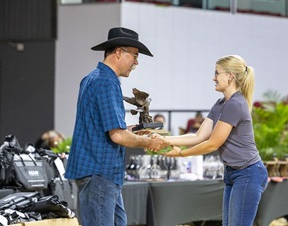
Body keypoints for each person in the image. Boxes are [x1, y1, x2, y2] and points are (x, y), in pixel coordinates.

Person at [64, 27, 168, 226]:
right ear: (119, 52)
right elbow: (117, 137)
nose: (137, 62)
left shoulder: (91, 78)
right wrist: (148, 141)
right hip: (100, 174)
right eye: (135, 56)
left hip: (97, 173)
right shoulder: (107, 82)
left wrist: (129, 131)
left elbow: (102, 128)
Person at [162, 55, 268, 226]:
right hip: (233, 172)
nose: (214, 78)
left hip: (248, 173)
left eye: (217, 73)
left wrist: (181, 153)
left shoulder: (235, 104)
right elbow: (198, 136)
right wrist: (165, 139)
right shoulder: (221, 103)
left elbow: (212, 143)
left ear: (230, 76)